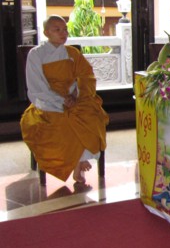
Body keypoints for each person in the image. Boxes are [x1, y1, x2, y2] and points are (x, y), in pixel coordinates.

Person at [20, 15, 109, 183]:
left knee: (91, 116)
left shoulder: (72, 53)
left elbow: (86, 76)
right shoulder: (36, 54)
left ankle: (80, 160)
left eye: (65, 29)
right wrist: (61, 99)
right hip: (48, 101)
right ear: (46, 33)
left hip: (74, 98)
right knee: (63, 121)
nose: (64, 33)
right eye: (57, 30)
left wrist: (76, 94)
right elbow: (37, 86)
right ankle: (77, 162)